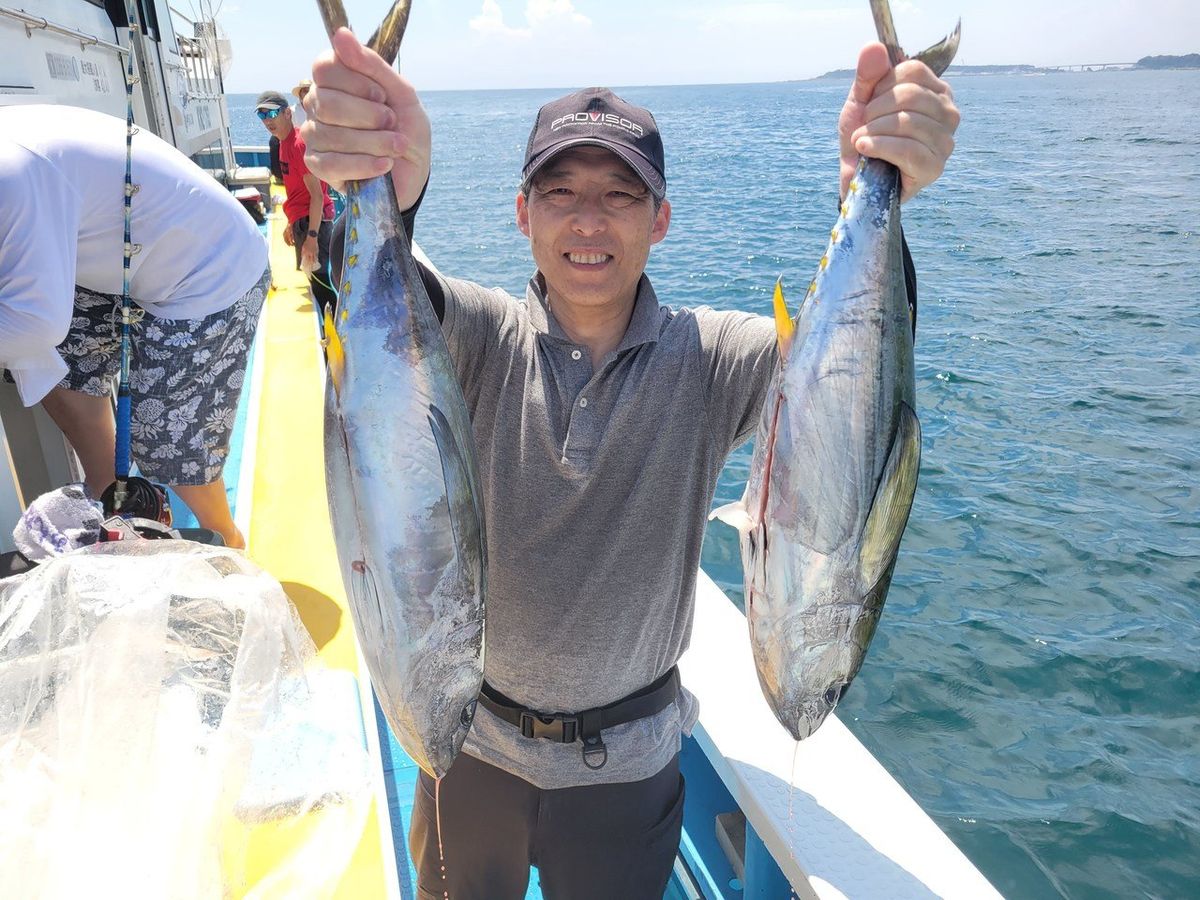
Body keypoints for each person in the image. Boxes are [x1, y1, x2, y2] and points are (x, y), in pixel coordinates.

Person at [303, 28, 959, 900]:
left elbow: (845, 402)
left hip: (629, 768)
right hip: (472, 745)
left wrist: (883, 193)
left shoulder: (713, 358)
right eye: (561, 190)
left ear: (661, 220)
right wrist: (390, 190)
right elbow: (393, 319)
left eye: (620, 195)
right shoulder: (482, 335)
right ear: (522, 212)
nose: (588, 219)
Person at [0, 104, 270, 550]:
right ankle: (117, 511)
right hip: (110, 261)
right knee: (66, 369)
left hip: (209, 265)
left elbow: (34, 325)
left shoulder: (10, 171)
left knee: (170, 441)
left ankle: (226, 543)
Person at [255, 90, 338, 317]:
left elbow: (317, 196)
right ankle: (331, 331)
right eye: (262, 115)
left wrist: (311, 237)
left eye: (272, 113)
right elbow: (296, 191)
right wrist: (292, 223)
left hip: (314, 222)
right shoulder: (283, 142)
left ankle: (339, 337)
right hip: (302, 219)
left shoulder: (299, 145)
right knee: (314, 280)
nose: (268, 120)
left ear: (287, 113)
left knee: (321, 285)